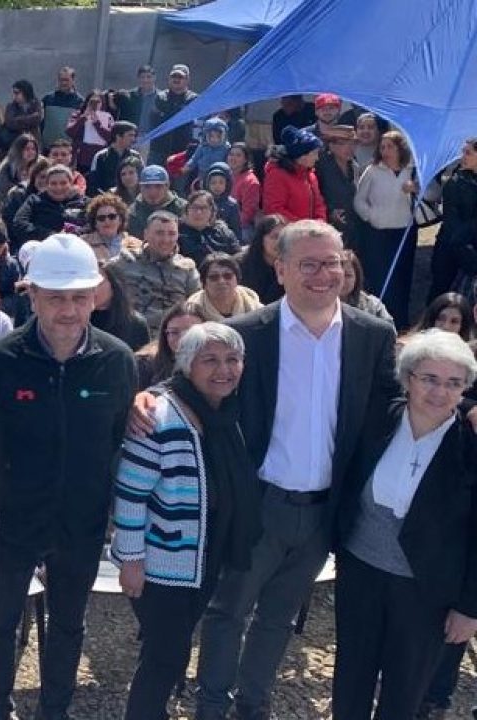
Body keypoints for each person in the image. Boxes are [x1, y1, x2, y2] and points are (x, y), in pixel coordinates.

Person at [119, 219, 399, 720]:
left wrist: (465, 409)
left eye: (332, 262)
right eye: (308, 264)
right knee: (228, 612)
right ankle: (212, 706)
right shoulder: (250, 332)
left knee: (279, 617)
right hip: (257, 502)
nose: (322, 274)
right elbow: (200, 381)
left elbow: (393, 405)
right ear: (280, 268)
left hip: (323, 511)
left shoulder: (373, 335)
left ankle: (253, 705)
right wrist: (147, 397)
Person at [0, 234, 135, 720]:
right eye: (56, 298)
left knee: (68, 623)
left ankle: (55, 709)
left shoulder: (116, 360)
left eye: (79, 297)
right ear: (33, 296)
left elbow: (117, 435)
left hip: (81, 519)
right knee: (0, 619)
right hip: (12, 516)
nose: (68, 310)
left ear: (95, 296)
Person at [114, 322, 261, 720]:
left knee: (170, 650)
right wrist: (131, 559)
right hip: (162, 561)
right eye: (209, 360)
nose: (223, 370)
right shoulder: (159, 416)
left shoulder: (228, 413)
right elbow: (130, 493)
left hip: (205, 556)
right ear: (186, 364)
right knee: (165, 655)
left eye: (232, 359)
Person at [332, 330, 477, 719]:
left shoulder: (470, 445)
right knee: (351, 677)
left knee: (404, 691)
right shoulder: (379, 417)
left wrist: (470, 607)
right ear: (408, 378)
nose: (440, 392)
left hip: (426, 590)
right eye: (429, 378)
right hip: (360, 571)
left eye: (454, 383)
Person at [354, 129, 418, 328]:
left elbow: (432, 194)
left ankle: (402, 322)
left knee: (402, 277)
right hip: (379, 233)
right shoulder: (373, 170)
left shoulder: (412, 169)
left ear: (400, 149)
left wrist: (415, 188)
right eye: (382, 147)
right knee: (381, 277)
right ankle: (381, 322)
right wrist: (371, 216)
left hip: (404, 231)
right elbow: (359, 200)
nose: (385, 151)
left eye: (390, 147)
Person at [110, 211, 201, 333]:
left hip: (170, 335)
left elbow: (196, 307)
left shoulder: (187, 269)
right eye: (159, 233)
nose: (165, 239)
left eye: (172, 234)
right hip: (129, 332)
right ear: (146, 234)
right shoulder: (125, 261)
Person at [430, 137, 477, 301]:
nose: (463, 156)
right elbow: (452, 222)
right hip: (451, 248)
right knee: (441, 295)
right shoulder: (455, 183)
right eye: (463, 152)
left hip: (471, 246)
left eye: (468, 153)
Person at [135, 302, 208, 389]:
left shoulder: (218, 364)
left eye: (190, 332)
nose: (182, 339)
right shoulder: (144, 366)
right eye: (174, 332)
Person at [11, 163, 86, 246]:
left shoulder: (83, 202)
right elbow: (19, 223)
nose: (58, 187)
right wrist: (52, 235)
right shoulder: (34, 201)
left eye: (63, 183)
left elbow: (92, 225)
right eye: (53, 183)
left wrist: (75, 234)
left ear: (71, 184)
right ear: (47, 185)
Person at [263, 126, 327, 222]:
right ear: (302, 155)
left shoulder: (310, 175)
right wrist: (302, 227)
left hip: (311, 229)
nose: (317, 158)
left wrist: (320, 222)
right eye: (314, 153)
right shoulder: (277, 176)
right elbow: (274, 209)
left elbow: (318, 203)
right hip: (288, 230)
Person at [314, 125, 360, 241]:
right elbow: (314, 196)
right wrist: (330, 212)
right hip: (329, 229)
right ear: (331, 145)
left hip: (353, 227)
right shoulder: (320, 167)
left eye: (353, 143)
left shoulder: (354, 165)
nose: (350, 148)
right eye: (343, 144)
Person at [147, 64, 198, 168]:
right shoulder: (160, 97)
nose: (176, 79)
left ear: (187, 80)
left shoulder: (194, 99)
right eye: (174, 76)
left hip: (182, 153)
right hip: (158, 151)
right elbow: (153, 121)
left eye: (180, 77)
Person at [91, 262, 150, 351]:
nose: (92, 290)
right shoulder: (80, 319)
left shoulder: (135, 323)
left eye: (98, 283)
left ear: (114, 285)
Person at [187, 252, 262, 322]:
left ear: (237, 279)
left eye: (228, 276)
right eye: (214, 277)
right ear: (204, 283)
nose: (221, 281)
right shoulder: (191, 312)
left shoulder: (256, 308)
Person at [178, 190, 240, 265]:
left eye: (204, 208)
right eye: (194, 207)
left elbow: (237, 258)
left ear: (212, 211)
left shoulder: (224, 233)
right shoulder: (176, 233)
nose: (198, 212)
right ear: (187, 210)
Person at [238, 214, 287, 305]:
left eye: (283, 238)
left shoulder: (290, 266)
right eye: (274, 237)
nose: (279, 242)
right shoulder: (241, 265)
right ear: (261, 238)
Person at [127, 165, 187, 237]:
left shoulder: (183, 209)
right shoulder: (132, 213)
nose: (152, 192)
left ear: (167, 186)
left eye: (158, 186)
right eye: (147, 187)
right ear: (140, 187)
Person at [339, 249, 395, 325]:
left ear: (357, 278)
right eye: (339, 275)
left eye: (348, 275)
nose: (342, 280)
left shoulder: (374, 306)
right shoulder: (322, 306)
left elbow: (389, 330)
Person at [66, 91, 114, 176]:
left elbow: (110, 137)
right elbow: (70, 132)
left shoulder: (108, 117)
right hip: (81, 157)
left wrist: (97, 123)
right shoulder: (78, 114)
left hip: (99, 156)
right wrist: (84, 117)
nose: (95, 104)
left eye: (98, 101)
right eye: (92, 101)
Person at [87, 120, 139, 197]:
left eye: (134, 136)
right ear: (118, 136)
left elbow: (141, 180)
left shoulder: (136, 156)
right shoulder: (101, 156)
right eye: (130, 135)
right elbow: (94, 184)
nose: (133, 139)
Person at [227, 143, 261, 241]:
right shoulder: (225, 175)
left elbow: (248, 214)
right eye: (231, 154)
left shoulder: (251, 182)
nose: (233, 158)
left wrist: (228, 226)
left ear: (246, 159)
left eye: (238, 155)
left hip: (242, 227)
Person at [2, 80, 44, 157]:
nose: (14, 96)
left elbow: (38, 119)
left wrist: (18, 119)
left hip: (34, 142)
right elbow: (10, 124)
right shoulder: (11, 106)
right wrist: (30, 118)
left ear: (25, 92)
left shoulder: (36, 104)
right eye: (13, 93)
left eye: (17, 93)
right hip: (17, 144)